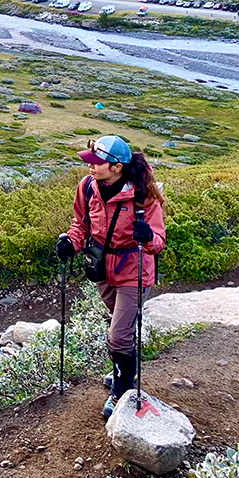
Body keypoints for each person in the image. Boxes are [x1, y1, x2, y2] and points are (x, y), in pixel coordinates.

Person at [55, 135, 166, 419]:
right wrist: (71, 241)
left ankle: (122, 390)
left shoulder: (143, 194)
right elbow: (80, 223)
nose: (89, 166)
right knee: (119, 331)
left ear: (116, 167)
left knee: (117, 337)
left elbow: (158, 241)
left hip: (135, 271)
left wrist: (148, 236)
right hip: (102, 267)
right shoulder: (88, 187)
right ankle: (124, 368)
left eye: (97, 162)